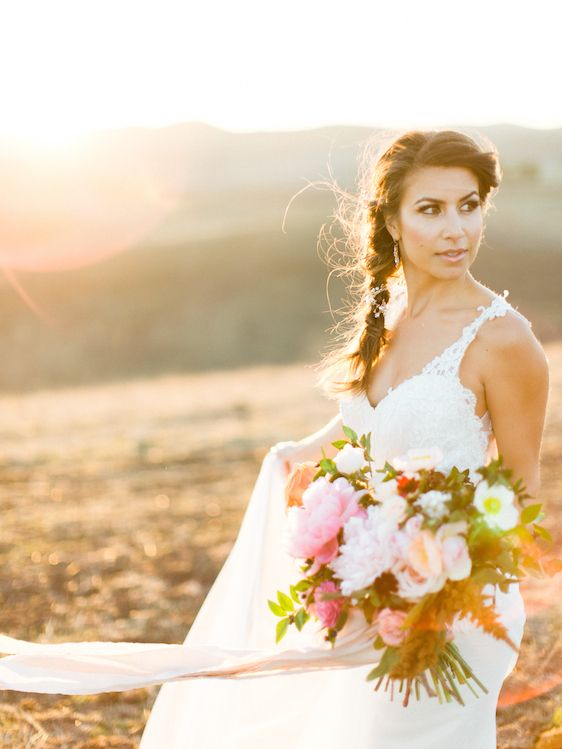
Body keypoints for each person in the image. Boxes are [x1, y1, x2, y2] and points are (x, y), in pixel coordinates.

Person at [0, 129, 550, 749]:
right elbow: (376, 420)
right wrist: (300, 454)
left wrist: (440, 583)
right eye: (431, 209)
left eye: (469, 205)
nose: (457, 229)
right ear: (393, 222)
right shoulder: (391, 317)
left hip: (451, 613)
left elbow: (521, 496)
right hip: (375, 603)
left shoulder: (505, 342)